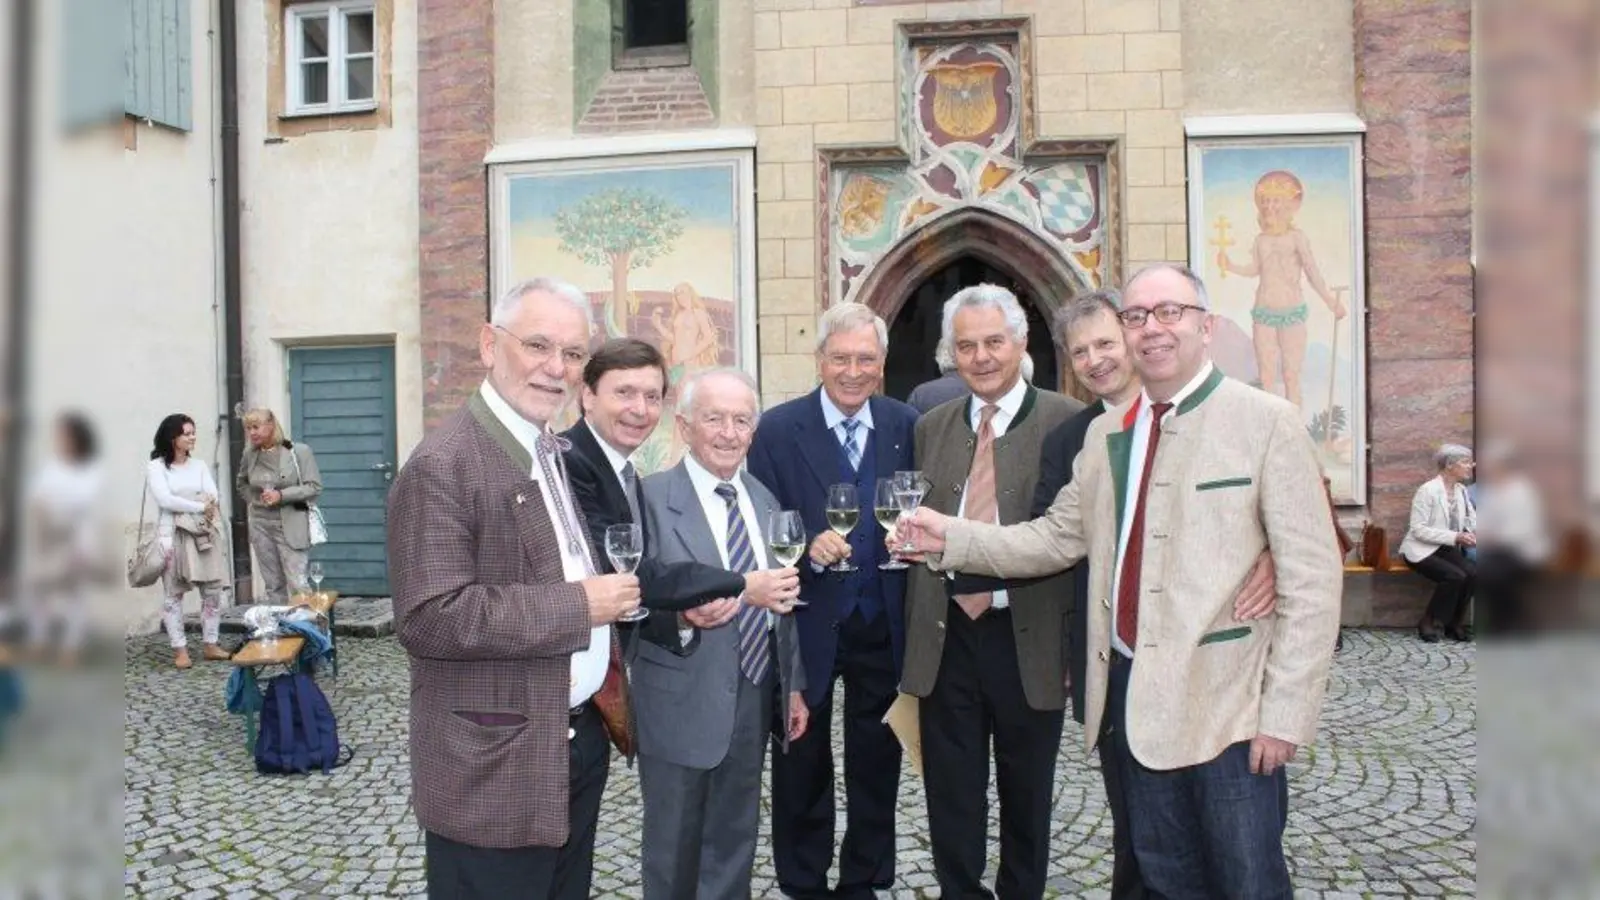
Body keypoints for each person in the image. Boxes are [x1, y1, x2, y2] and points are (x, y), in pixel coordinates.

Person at [897, 264, 1343, 899]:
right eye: (1136, 316)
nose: (1151, 329)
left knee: (1246, 881)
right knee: (1162, 878)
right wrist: (950, 536)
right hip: (1131, 696)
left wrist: (1286, 714)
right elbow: (1053, 538)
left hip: (1229, 708)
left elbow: (1313, 580)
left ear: (1206, 326)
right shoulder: (1107, 433)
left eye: (1169, 312)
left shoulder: (1266, 421)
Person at [387, 277, 643, 900]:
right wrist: (582, 604)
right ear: (488, 345)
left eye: (573, 353)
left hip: (570, 742)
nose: (556, 368)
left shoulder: (547, 447)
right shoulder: (443, 464)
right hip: (494, 766)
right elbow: (430, 616)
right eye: (537, 345)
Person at [1030, 290, 1280, 900]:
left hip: (1218, 687)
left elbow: (1309, 527)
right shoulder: (1083, 438)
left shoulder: (1243, 413)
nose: (1096, 360)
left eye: (1106, 342)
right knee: (1148, 855)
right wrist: (948, 538)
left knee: (1242, 865)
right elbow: (1050, 539)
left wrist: (1273, 551)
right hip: (1124, 676)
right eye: (1080, 352)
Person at [899, 284, 1083, 900]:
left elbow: (1079, 537)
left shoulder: (1066, 421)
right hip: (946, 636)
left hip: (1028, 636)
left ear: (1021, 342)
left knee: (1027, 791)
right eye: (966, 345)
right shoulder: (932, 426)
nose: (980, 357)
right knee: (951, 793)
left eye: (993, 342)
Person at [746, 302, 918, 900]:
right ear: (819, 360)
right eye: (840, 358)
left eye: (865, 359)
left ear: (882, 363)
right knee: (800, 757)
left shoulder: (906, 424)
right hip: (805, 618)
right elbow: (760, 522)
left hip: (881, 619)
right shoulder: (776, 429)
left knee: (877, 758)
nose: (852, 371)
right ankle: (803, 878)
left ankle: (863, 878)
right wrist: (803, 547)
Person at [631, 367, 808, 900]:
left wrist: (792, 685)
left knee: (735, 841)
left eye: (741, 420)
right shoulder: (648, 499)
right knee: (673, 850)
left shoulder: (765, 500)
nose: (729, 433)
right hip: (680, 699)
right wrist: (683, 618)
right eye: (714, 419)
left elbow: (782, 599)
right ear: (685, 426)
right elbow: (630, 601)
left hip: (753, 694)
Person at [561, 338, 799, 623]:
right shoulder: (569, 464)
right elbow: (622, 574)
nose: (640, 409)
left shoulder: (764, 497)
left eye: (652, 397)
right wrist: (741, 585)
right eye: (714, 419)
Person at [1215, 169, 1348, 407]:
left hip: (1292, 311)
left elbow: (1312, 272)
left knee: (1291, 374)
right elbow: (1255, 270)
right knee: (1266, 374)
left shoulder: (1297, 237)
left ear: (1287, 205)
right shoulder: (1260, 240)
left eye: (1275, 201)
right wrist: (1231, 266)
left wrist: (1330, 301)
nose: (1269, 206)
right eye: (1265, 201)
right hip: (1264, 311)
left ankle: (1293, 422)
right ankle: (1270, 423)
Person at [146, 413, 231, 670]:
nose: (193, 437)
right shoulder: (156, 467)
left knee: (213, 591)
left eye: (194, 433)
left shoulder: (200, 465)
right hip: (171, 535)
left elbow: (213, 495)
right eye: (187, 433)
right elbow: (165, 500)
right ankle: (180, 650)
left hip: (203, 533)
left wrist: (197, 504)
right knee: (174, 594)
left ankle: (211, 644)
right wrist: (198, 505)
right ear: (172, 438)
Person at [24, 412, 108, 665]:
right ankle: (38, 640)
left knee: (75, 592)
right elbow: (36, 498)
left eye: (65, 435)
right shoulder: (51, 466)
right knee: (39, 589)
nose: (59, 440)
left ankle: (71, 646)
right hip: (48, 535)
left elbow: (89, 505)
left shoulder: (92, 471)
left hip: (78, 536)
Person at [236, 408, 323, 605]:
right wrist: (256, 500)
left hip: (290, 524)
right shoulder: (250, 454)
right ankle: (281, 622)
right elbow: (242, 483)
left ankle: (307, 622)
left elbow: (314, 487)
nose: (252, 432)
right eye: (248, 428)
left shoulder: (298, 451)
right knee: (272, 584)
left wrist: (281, 495)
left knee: (297, 582)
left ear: (271, 425)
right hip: (260, 525)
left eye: (256, 427)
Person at [1397, 444, 1478, 643]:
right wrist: (1456, 537)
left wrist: (1474, 534)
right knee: (1455, 576)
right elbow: (1418, 529)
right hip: (1420, 550)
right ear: (1449, 465)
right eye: (1465, 462)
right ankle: (1428, 621)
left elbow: (1470, 520)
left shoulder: (1461, 490)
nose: (1470, 466)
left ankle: (1454, 624)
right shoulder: (1428, 490)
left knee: (1473, 573)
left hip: (1444, 547)